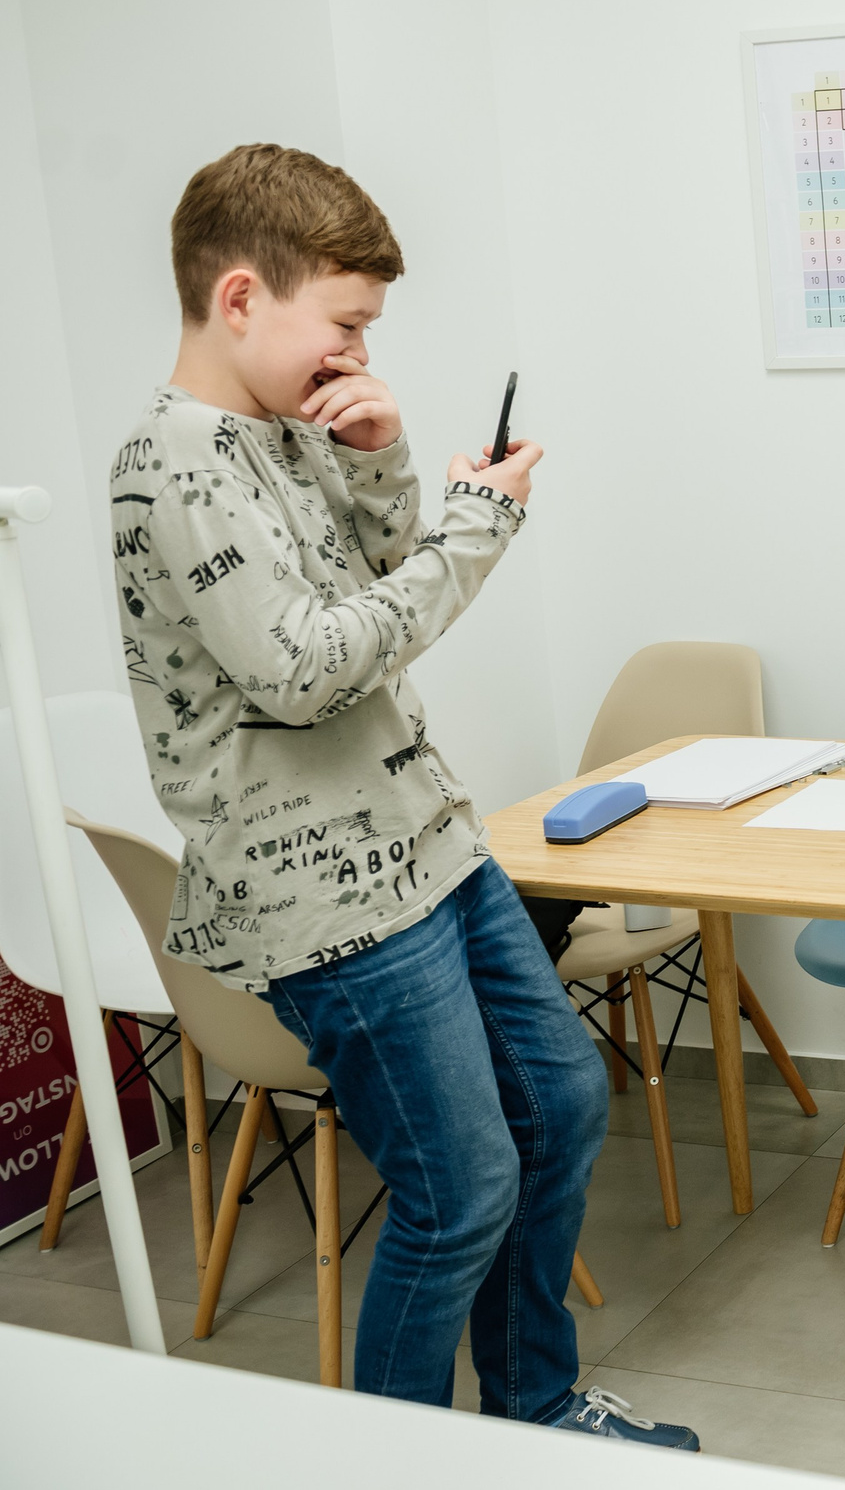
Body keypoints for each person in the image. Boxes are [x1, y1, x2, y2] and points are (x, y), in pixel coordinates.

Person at [108, 146, 695, 1446]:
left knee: (562, 1100)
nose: (356, 350)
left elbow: (372, 574)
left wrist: (381, 454)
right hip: (326, 897)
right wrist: (479, 521)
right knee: (457, 1185)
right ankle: (400, 1462)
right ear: (244, 296)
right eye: (348, 323)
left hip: (427, 844)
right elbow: (311, 668)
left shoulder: (278, 428)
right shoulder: (175, 468)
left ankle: (533, 1407)